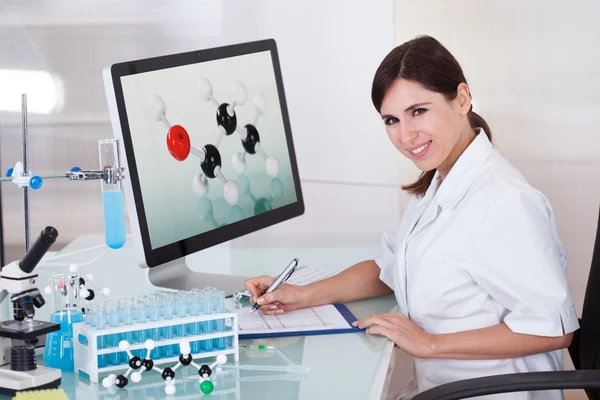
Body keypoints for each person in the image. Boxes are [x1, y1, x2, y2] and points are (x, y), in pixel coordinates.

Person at [243, 35, 579, 399]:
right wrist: (302, 295)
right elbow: (391, 266)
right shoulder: (440, 179)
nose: (406, 135)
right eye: (391, 120)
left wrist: (429, 344)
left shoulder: (507, 202)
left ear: (462, 99)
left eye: (419, 111)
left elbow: (553, 330)